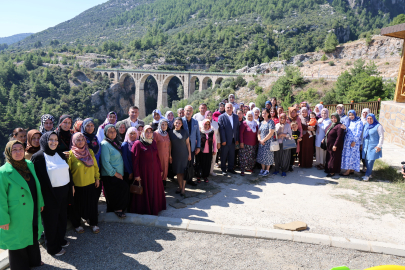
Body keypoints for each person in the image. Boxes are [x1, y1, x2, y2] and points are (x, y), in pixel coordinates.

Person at [0, 141, 45, 269]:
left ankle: (34, 261)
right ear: (8, 152)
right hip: (16, 212)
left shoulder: (29, 164)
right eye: (14, 150)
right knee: (17, 240)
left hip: (32, 206)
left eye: (21, 148)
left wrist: (40, 202)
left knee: (32, 233)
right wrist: (3, 219)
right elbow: (0, 198)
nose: (19, 152)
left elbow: (37, 186)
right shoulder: (3, 172)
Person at [31, 131, 73, 256]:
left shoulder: (59, 153)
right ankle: (52, 247)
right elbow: (35, 181)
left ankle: (60, 239)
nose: (54, 142)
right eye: (51, 139)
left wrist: (71, 187)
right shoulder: (38, 157)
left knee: (61, 219)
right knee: (50, 222)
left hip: (64, 192)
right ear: (44, 141)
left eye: (56, 139)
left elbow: (67, 171)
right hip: (49, 195)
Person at [68, 132, 100, 234]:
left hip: (90, 183)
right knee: (77, 207)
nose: (81, 142)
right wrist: (71, 185)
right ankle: (77, 225)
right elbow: (68, 171)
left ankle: (93, 223)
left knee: (92, 205)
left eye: (82, 139)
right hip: (77, 185)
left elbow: (95, 166)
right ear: (74, 141)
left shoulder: (89, 151)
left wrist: (97, 178)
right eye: (78, 140)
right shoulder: (71, 154)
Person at [131, 125, 166, 215]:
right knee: (145, 191)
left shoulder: (153, 142)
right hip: (144, 173)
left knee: (154, 189)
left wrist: (160, 170)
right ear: (143, 132)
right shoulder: (138, 144)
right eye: (147, 131)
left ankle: (155, 208)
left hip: (155, 172)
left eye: (150, 132)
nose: (149, 134)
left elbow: (157, 157)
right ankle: (146, 209)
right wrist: (137, 174)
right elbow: (134, 161)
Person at [100, 124, 129, 218]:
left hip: (117, 173)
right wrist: (115, 173)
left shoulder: (114, 142)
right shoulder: (105, 144)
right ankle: (118, 210)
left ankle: (114, 210)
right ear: (105, 133)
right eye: (110, 131)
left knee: (117, 192)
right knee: (119, 191)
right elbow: (105, 162)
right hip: (110, 175)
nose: (112, 133)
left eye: (114, 131)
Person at [80, 118, 102, 207]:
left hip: (96, 167)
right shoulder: (81, 138)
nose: (90, 128)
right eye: (88, 126)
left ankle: (93, 209)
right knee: (88, 191)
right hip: (86, 168)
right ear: (84, 127)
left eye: (92, 125)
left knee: (96, 189)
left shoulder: (95, 138)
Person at [169, 118, 192, 196]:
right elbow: (170, 146)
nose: (177, 124)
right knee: (178, 172)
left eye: (179, 123)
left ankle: (183, 189)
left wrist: (189, 154)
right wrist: (170, 156)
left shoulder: (185, 132)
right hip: (175, 155)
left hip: (184, 155)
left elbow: (188, 144)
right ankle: (180, 186)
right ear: (174, 123)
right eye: (176, 123)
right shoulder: (170, 133)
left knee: (184, 172)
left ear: (182, 124)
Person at [361, 114, 384, 181]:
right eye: (368, 118)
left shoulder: (378, 126)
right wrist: (361, 144)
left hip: (374, 146)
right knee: (366, 160)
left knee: (370, 161)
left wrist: (379, 146)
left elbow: (381, 136)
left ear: (374, 119)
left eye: (371, 118)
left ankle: (367, 175)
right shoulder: (366, 125)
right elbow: (363, 135)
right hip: (366, 146)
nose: (369, 120)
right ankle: (369, 173)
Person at [218, 103, 240, 175]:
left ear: (232, 108)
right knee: (224, 155)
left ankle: (230, 168)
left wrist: (237, 139)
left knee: (232, 155)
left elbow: (237, 129)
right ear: (225, 108)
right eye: (227, 107)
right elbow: (221, 129)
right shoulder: (221, 117)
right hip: (225, 140)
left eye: (230, 107)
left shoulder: (236, 117)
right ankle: (223, 169)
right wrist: (223, 140)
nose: (229, 109)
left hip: (233, 140)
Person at [341, 110, 364, 176]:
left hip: (354, 142)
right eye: (350, 115)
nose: (351, 116)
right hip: (347, 142)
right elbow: (348, 130)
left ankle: (347, 171)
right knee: (349, 155)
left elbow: (358, 133)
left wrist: (354, 141)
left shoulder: (359, 122)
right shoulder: (349, 121)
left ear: (355, 115)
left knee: (351, 156)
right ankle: (351, 169)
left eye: (352, 115)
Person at [182, 105, 201, 186]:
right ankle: (182, 181)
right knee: (183, 164)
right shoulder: (181, 121)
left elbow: (198, 136)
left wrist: (198, 146)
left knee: (190, 163)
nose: (188, 112)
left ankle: (190, 179)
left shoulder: (195, 122)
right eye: (187, 110)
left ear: (192, 112)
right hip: (182, 147)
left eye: (190, 110)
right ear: (184, 111)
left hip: (192, 147)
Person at [323, 113, 345, 177]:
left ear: (338, 118)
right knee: (329, 157)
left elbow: (339, 136)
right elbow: (327, 132)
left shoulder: (339, 125)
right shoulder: (331, 124)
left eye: (335, 118)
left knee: (333, 158)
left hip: (335, 145)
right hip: (329, 144)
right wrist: (324, 139)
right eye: (332, 118)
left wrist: (335, 145)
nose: (333, 119)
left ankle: (332, 172)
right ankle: (328, 169)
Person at [257, 108, 275, 177]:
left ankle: (267, 170)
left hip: (268, 142)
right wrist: (259, 140)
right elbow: (258, 132)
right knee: (262, 156)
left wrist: (263, 140)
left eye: (265, 113)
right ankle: (262, 169)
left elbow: (271, 133)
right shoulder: (261, 122)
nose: (263, 114)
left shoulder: (271, 122)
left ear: (268, 114)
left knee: (268, 156)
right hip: (261, 142)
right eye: (262, 113)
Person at [239, 111, 258, 176]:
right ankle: (242, 170)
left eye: (251, 116)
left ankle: (249, 168)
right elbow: (240, 133)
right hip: (245, 144)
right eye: (248, 116)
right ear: (246, 116)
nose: (250, 117)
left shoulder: (255, 124)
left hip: (253, 144)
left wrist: (258, 142)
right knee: (244, 157)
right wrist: (241, 142)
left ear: (253, 116)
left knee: (252, 157)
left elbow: (257, 133)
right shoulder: (244, 123)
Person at [273, 113, 292, 177]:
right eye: (281, 118)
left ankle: (284, 170)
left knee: (285, 157)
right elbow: (274, 134)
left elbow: (290, 135)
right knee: (277, 157)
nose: (282, 119)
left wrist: (282, 134)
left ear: (286, 118)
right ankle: (276, 169)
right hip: (278, 143)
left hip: (286, 143)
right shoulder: (277, 125)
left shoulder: (288, 125)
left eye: (283, 118)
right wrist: (276, 135)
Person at [153, 119, 171, 187]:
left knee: (165, 168)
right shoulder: (156, 133)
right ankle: (159, 185)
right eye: (162, 124)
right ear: (159, 125)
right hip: (159, 156)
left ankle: (164, 182)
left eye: (165, 124)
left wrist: (170, 156)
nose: (164, 126)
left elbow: (169, 145)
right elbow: (153, 146)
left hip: (166, 155)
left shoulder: (167, 133)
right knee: (160, 169)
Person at [205, 111, 221, 176]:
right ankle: (205, 171)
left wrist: (218, 142)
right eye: (207, 115)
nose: (209, 116)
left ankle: (211, 171)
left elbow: (218, 134)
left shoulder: (215, 123)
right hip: (205, 143)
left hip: (214, 143)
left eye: (210, 115)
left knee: (213, 157)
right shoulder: (201, 123)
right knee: (205, 158)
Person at [360, 108, 370, 172]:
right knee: (359, 154)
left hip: (366, 141)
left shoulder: (370, 121)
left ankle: (365, 168)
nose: (365, 114)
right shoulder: (359, 120)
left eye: (366, 113)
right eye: (363, 112)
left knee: (365, 155)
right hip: (359, 140)